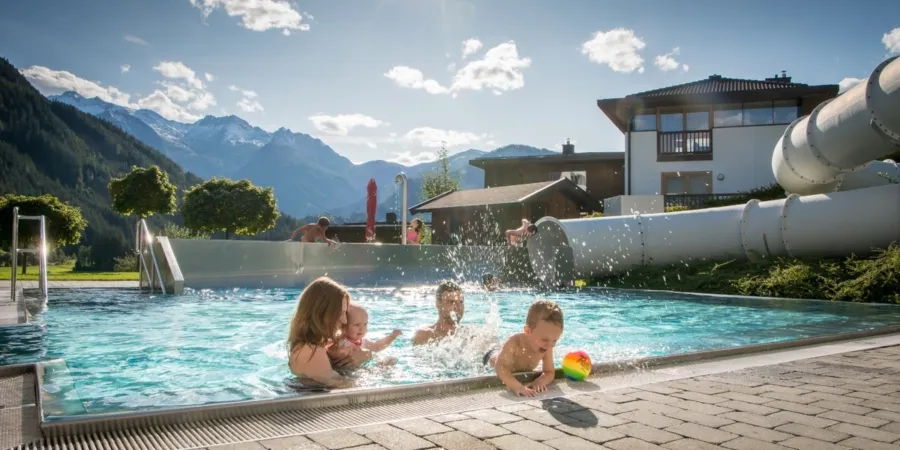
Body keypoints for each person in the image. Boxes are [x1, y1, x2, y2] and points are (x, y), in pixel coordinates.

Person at [287, 277, 372, 388]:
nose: (344, 320)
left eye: (345, 313)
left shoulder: (320, 343)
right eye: (339, 313)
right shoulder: (310, 351)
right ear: (321, 314)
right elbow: (347, 386)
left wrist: (366, 356)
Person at [484, 299, 564, 397]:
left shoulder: (547, 346)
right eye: (544, 339)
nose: (550, 345)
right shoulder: (513, 343)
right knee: (488, 345)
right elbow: (500, 368)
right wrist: (517, 386)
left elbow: (549, 372)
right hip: (490, 356)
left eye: (554, 340)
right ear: (528, 331)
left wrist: (540, 381)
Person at [328, 304, 402, 366]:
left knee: (391, 359)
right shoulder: (341, 340)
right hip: (347, 371)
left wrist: (392, 337)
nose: (362, 328)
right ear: (343, 326)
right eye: (357, 325)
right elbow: (330, 350)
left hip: (362, 367)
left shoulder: (364, 341)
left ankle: (381, 366)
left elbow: (377, 346)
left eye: (365, 324)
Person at [411, 280, 465, 346]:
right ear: (438, 304)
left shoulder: (470, 336)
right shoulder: (425, 335)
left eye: (461, 302)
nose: (458, 307)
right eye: (451, 302)